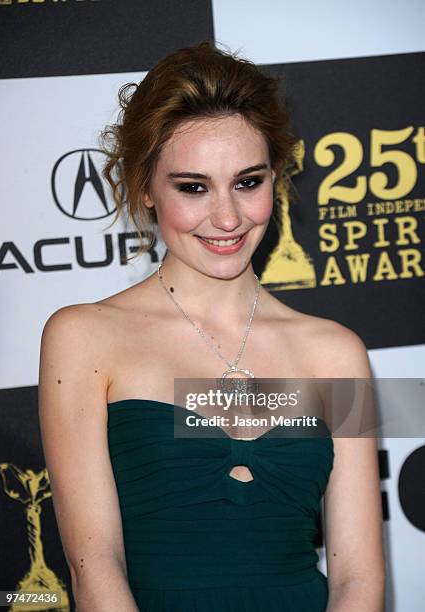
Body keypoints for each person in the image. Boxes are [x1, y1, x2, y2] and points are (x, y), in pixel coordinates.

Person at [38, 40, 385, 611]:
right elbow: (94, 564)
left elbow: (358, 581)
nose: (227, 217)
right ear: (147, 188)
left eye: (248, 181)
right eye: (193, 187)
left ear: (275, 179)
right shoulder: (84, 338)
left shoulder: (336, 353)